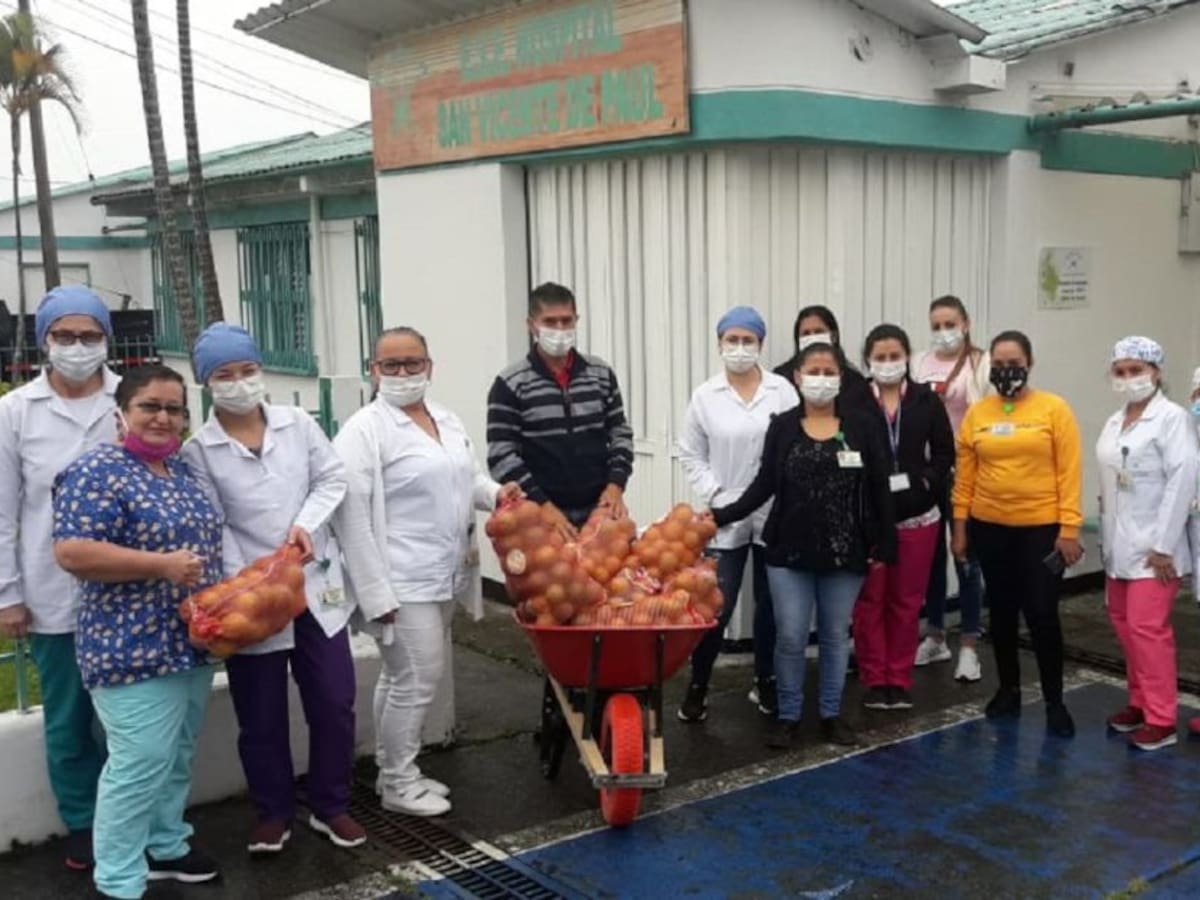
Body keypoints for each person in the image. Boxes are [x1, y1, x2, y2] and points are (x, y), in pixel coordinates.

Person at [180, 324, 365, 853]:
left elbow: (331, 478)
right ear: (207, 384)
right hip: (250, 599)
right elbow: (212, 523)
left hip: (315, 583)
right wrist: (259, 577)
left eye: (247, 370)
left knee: (334, 699)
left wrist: (304, 525)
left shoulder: (297, 424)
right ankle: (273, 811)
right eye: (224, 374)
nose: (240, 382)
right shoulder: (200, 451)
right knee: (260, 712)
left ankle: (331, 805)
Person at [334, 327, 523, 817]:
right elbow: (349, 516)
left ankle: (394, 770)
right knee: (418, 679)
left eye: (412, 363)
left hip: (444, 574)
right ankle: (398, 782)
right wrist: (376, 594)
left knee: (401, 679)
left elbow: (467, 478)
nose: (402, 373)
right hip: (400, 581)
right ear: (373, 370)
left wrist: (497, 494)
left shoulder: (444, 418)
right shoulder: (363, 431)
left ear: (429, 367)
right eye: (391, 365)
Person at [52, 365, 223, 900]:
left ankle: (166, 845)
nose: (163, 417)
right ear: (121, 413)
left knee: (175, 755)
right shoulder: (97, 470)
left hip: (188, 646)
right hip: (129, 648)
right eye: (150, 405)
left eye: (174, 408)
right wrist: (161, 565)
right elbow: (73, 552)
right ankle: (119, 879)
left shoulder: (183, 473)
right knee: (138, 763)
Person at [712, 341, 896, 750]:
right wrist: (720, 515)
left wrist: (886, 542)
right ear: (796, 378)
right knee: (791, 636)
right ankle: (789, 715)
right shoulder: (781, 426)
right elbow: (763, 485)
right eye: (811, 371)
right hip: (787, 552)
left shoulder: (863, 426)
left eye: (828, 371)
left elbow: (880, 488)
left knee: (833, 635)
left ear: (841, 377)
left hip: (844, 552)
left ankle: (831, 714)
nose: (820, 379)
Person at [0, 285, 118, 871]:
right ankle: (85, 822)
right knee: (70, 720)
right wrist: (8, 595)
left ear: (106, 339)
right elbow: (3, 508)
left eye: (89, 335)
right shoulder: (16, 411)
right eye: (64, 336)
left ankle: (132, 820)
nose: (77, 346)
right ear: (45, 340)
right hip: (50, 591)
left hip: (130, 591)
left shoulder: (134, 398)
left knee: (130, 718)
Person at [952, 331, 1083, 738]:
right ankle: (1008, 688)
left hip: (1041, 532)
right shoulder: (979, 413)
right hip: (989, 528)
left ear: (1029, 363)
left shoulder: (1053, 409)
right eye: (999, 363)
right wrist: (960, 528)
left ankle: (1054, 701)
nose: (1006, 371)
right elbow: (966, 475)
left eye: (1014, 363)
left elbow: (1070, 471)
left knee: (1042, 614)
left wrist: (1070, 528)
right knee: (1003, 615)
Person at [676, 306, 797, 723]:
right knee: (715, 606)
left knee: (771, 603)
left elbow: (796, 445)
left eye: (748, 341)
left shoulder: (783, 391)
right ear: (719, 344)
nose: (740, 348)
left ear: (761, 345)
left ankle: (765, 682)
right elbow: (689, 453)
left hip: (775, 513)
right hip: (725, 512)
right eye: (733, 340)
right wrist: (716, 492)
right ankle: (699, 685)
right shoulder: (706, 395)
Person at [1096, 338, 1197, 751]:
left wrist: (1163, 545)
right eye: (1120, 371)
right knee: (1125, 627)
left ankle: (1161, 717)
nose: (1128, 378)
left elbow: (1182, 478)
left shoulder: (1172, 419)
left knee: (1147, 629)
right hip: (1119, 546)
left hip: (1157, 550)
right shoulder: (1115, 420)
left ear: (1155, 372)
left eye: (1136, 369)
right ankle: (1138, 703)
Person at [853, 325, 954, 711]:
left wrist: (927, 481)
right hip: (872, 519)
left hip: (918, 517)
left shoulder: (926, 401)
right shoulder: (855, 400)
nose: (888, 363)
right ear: (868, 361)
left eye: (895, 355)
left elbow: (945, 453)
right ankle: (874, 679)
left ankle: (898, 677)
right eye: (880, 357)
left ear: (908, 357)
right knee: (870, 601)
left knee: (906, 601)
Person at [486, 282, 634, 530]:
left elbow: (620, 434)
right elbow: (501, 455)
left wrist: (615, 485)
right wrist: (542, 505)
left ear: (576, 320)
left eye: (566, 321)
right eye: (550, 322)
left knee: (606, 569)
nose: (560, 329)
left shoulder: (600, 374)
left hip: (599, 510)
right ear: (531, 325)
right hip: (537, 516)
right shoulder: (510, 384)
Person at [911, 295, 990, 681]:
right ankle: (935, 635)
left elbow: (988, 412)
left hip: (966, 471)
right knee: (930, 558)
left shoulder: (982, 362)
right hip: (931, 471)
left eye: (950, 324)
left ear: (966, 323)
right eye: (937, 325)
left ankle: (970, 646)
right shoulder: (920, 363)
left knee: (966, 555)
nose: (944, 332)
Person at [772, 304, 871, 412]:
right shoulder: (781, 377)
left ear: (833, 336)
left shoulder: (855, 381)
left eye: (819, 331)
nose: (812, 337)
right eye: (806, 333)